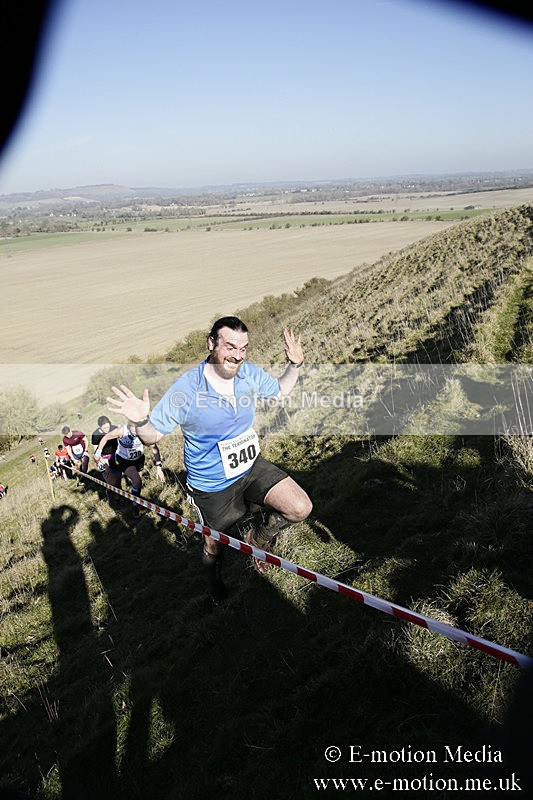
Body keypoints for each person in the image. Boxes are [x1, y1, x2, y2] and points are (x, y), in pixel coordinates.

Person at [107, 316, 312, 605]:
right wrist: (140, 420)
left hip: (251, 466)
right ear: (211, 343)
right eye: (230, 346)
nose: (238, 355)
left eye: (243, 348)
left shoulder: (248, 374)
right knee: (214, 546)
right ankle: (214, 583)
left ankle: (259, 539)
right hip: (211, 485)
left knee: (300, 507)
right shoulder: (186, 389)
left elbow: (280, 390)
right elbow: (152, 435)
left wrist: (295, 365)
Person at [94, 422, 164, 517]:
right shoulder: (122, 431)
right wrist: (98, 453)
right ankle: (135, 506)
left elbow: (154, 448)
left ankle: (136, 501)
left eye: (137, 428)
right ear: (128, 426)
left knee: (137, 484)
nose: (135, 431)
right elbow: (106, 437)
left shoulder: (143, 432)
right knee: (137, 481)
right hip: (124, 461)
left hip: (139, 459)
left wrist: (158, 467)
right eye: (133, 428)